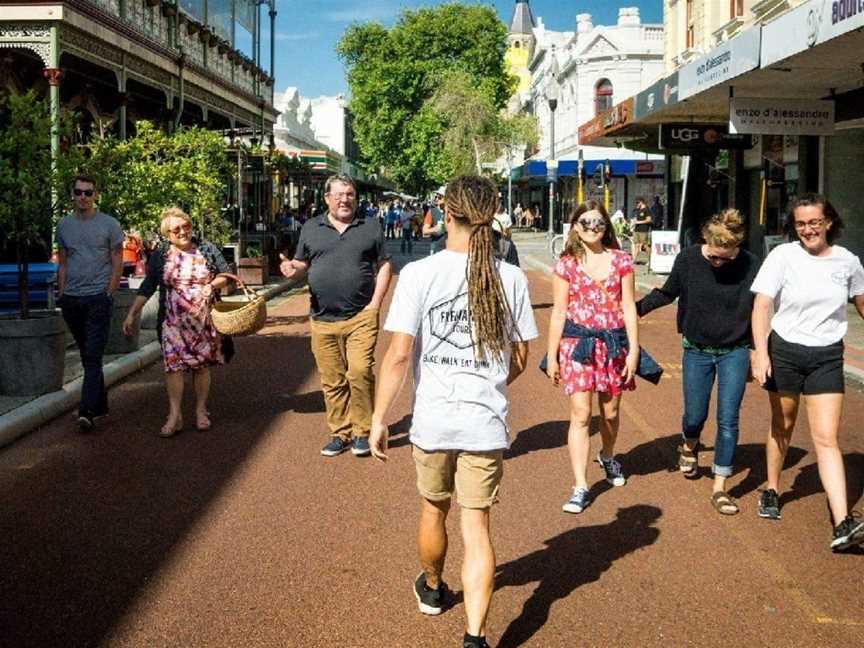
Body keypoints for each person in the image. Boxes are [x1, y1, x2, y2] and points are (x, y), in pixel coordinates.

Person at [369, 175, 538, 648]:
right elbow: (521, 355)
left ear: (447, 213)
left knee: (433, 509)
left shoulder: (421, 275)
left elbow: (399, 354)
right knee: (476, 524)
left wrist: (380, 417)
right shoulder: (511, 276)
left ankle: (433, 587)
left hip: (434, 419)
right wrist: (491, 379)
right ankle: (475, 637)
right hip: (484, 420)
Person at [750, 194, 864, 551]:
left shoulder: (848, 262)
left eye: (815, 222)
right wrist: (761, 353)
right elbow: (762, 304)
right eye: (801, 224)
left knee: (826, 437)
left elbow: (861, 303)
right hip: (785, 351)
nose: (808, 229)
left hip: (827, 356)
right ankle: (771, 488)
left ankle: (842, 521)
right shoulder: (783, 256)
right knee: (783, 425)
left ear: (829, 222)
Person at [637, 210, 759, 515]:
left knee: (728, 418)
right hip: (697, 349)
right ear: (706, 242)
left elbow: (762, 308)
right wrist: (631, 310)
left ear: (736, 249)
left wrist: (759, 350)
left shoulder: (750, 264)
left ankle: (720, 487)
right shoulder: (690, 259)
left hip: (735, 349)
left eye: (725, 258)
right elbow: (667, 293)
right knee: (695, 415)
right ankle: (689, 444)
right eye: (713, 257)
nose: (718, 263)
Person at [280, 174, 392, 457]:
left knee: (360, 372)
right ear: (327, 198)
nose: (345, 199)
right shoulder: (310, 228)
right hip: (322, 318)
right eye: (339, 194)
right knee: (332, 379)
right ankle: (340, 433)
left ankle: (362, 432)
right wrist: (292, 270)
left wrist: (375, 304)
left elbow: (384, 265)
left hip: (361, 315)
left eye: (350, 194)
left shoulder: (370, 227)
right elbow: (301, 264)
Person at [545, 200, 638, 514]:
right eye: (585, 222)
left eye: (598, 222)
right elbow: (559, 311)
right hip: (578, 345)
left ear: (606, 226)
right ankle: (580, 485)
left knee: (610, 413)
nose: (592, 228)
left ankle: (608, 456)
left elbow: (628, 307)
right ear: (574, 227)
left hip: (612, 344)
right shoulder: (566, 265)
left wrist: (634, 350)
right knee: (581, 414)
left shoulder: (622, 261)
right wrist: (552, 354)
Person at [122, 207, 231, 437]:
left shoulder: (206, 248)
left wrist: (212, 285)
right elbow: (148, 285)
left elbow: (226, 275)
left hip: (202, 319)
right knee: (173, 366)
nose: (183, 232)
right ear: (167, 234)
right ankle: (175, 415)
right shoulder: (161, 254)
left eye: (186, 226)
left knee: (201, 365)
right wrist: (132, 313)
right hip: (172, 321)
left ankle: (201, 410)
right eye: (176, 229)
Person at [56, 174, 124, 431]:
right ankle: (101, 404)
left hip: (98, 297)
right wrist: (62, 294)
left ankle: (86, 410)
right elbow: (62, 261)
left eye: (88, 192)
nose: (83, 197)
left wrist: (110, 292)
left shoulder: (110, 224)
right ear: (72, 195)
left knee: (93, 355)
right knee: (87, 355)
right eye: (78, 192)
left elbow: (117, 259)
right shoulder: (63, 225)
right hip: (72, 298)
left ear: (96, 194)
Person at [422, 189, 447, 255]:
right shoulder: (432, 211)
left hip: (450, 247)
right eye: (436, 197)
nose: (436, 199)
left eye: (439, 197)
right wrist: (434, 229)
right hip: (436, 246)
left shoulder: (452, 212)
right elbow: (424, 231)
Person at [630, 197, 653, 264]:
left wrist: (638, 222)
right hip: (636, 229)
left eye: (637, 202)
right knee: (636, 245)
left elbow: (649, 220)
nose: (636, 204)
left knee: (645, 246)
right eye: (636, 203)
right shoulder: (638, 210)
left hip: (643, 230)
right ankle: (634, 260)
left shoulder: (647, 210)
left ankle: (650, 259)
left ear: (642, 202)